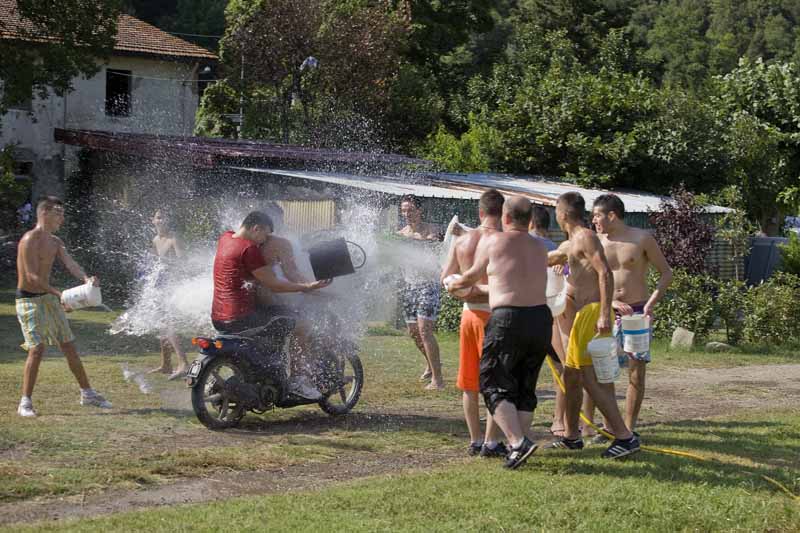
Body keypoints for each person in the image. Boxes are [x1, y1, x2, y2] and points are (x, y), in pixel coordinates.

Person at [450, 197, 552, 469]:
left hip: (509, 318)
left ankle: (518, 442)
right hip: (541, 319)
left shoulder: (496, 242)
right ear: (530, 220)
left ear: (506, 218)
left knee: (493, 383)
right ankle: (517, 446)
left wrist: (454, 285)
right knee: (524, 386)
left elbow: (471, 276)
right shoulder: (540, 247)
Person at [546, 192, 640, 459]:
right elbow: (548, 258)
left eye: (556, 209)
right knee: (572, 376)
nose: (555, 214)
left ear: (563, 213)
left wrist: (602, 312)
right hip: (580, 315)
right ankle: (572, 436)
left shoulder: (585, 237)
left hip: (591, 313)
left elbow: (604, 272)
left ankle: (625, 436)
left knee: (588, 376)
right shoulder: (570, 243)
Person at [211, 211, 330, 399]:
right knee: (302, 326)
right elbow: (274, 284)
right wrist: (308, 286)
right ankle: (298, 382)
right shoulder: (248, 249)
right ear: (256, 228)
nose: (264, 241)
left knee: (278, 318)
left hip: (219, 318)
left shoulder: (225, 238)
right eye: (265, 235)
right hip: (242, 317)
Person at [583, 194, 672, 437]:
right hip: (604, 311)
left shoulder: (641, 238)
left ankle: (629, 428)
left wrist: (651, 304)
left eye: (597, 215)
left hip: (637, 312)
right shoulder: (594, 242)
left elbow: (666, 273)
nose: (594, 220)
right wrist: (610, 301)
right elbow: (584, 276)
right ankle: (596, 427)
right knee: (598, 368)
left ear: (612, 215)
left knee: (636, 371)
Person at [15, 196, 112, 417]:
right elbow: (30, 276)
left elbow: (71, 264)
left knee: (68, 346)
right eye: (58, 212)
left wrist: (87, 279)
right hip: (28, 299)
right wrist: (60, 295)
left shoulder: (56, 242)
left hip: (48, 297)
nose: (62, 217)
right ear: (44, 213)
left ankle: (87, 393)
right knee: (37, 348)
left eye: (62, 212)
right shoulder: (29, 239)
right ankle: (25, 403)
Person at [441, 189, 507, 458]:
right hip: (494, 316)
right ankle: (491, 442)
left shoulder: (462, 241)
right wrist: (481, 291)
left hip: (468, 315)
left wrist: (467, 292)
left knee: (470, 382)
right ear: (502, 213)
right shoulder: (503, 242)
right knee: (497, 381)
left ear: (480, 212)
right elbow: (506, 285)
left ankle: (475, 440)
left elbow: (446, 279)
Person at [529, 204, 570, 436]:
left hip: (534, 315)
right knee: (561, 369)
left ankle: (518, 416)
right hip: (556, 316)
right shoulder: (558, 249)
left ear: (531, 224)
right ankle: (559, 419)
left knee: (526, 370)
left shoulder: (526, 245)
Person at [397, 195, 444, 390]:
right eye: (404, 211)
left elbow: (445, 245)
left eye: (410, 210)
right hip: (409, 285)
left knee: (425, 330)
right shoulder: (400, 235)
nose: (407, 214)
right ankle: (431, 364)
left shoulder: (432, 230)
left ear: (419, 211)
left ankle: (438, 380)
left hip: (428, 284)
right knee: (413, 332)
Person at [148, 209, 190, 380]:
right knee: (161, 323)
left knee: (168, 323)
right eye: (158, 217)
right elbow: (153, 263)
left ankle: (184, 363)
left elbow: (183, 262)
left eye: (165, 217)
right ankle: (166, 364)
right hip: (160, 284)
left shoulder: (174, 239)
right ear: (153, 220)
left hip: (172, 285)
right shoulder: (155, 240)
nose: (162, 220)